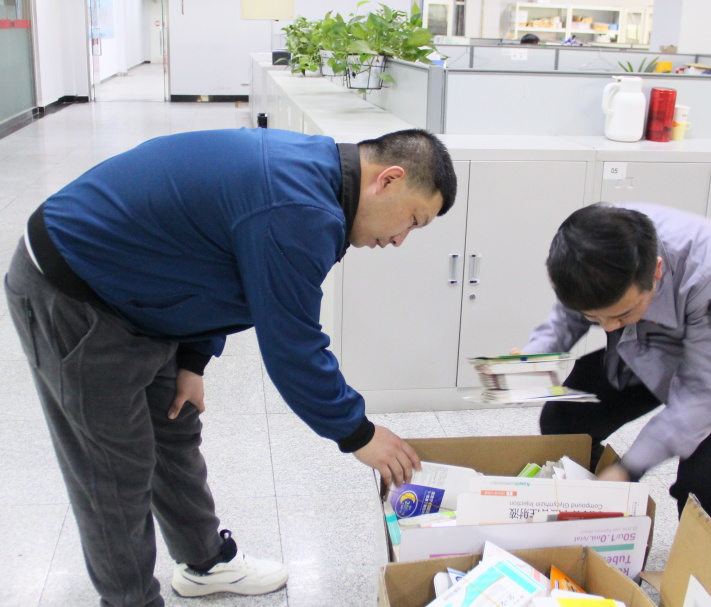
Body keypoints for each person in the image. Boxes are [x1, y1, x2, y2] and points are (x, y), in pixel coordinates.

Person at [4, 127, 457, 607]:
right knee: (115, 472)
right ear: (388, 179)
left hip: (138, 288)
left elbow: (214, 258)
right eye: (413, 220)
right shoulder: (300, 209)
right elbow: (293, 347)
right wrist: (358, 433)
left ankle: (203, 563)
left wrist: (193, 359)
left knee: (174, 430)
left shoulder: (317, 178)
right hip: (75, 290)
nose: (400, 239)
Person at [519, 202, 711, 517]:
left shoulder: (703, 273)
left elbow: (700, 395)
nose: (608, 328)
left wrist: (628, 468)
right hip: (646, 347)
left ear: (656, 271)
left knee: (700, 488)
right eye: (595, 317)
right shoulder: (597, 245)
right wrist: (537, 355)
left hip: (705, 373)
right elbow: (569, 314)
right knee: (566, 421)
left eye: (622, 313)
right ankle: (591, 516)